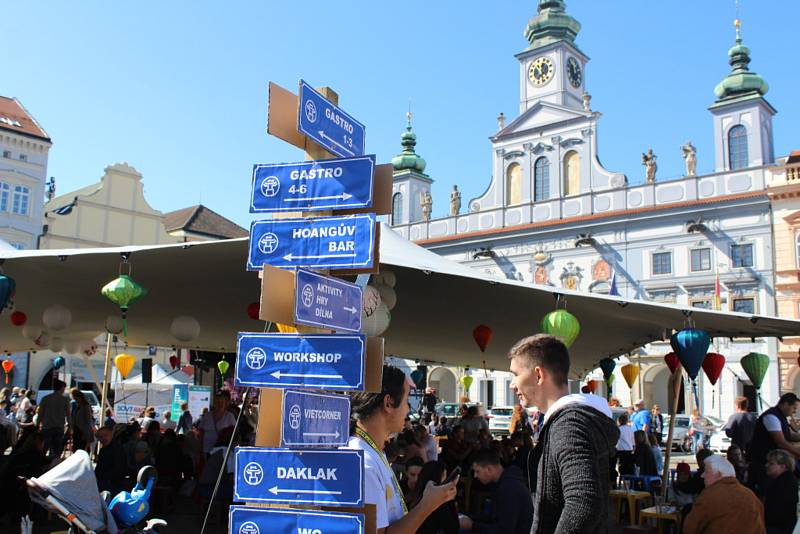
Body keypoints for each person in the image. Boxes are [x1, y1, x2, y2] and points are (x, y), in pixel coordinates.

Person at [509, 334, 619, 533]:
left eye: (515, 374)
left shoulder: (569, 424)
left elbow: (584, 503)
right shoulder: (568, 421)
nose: (512, 384)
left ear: (538, 375)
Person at [346, 364, 458, 533]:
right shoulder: (363, 464)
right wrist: (427, 505)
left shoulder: (373, 452)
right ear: (388, 403)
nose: (407, 409)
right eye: (406, 401)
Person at [682, 455, 765, 534]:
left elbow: (689, 529)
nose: (702, 475)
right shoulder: (751, 496)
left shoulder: (709, 495)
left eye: (706, 471)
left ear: (718, 474)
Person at [459, 448, 534, 534]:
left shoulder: (510, 488)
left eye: (477, 471)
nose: (475, 476)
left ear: (489, 469)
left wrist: (472, 525)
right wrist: (471, 518)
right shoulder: (501, 483)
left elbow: (504, 531)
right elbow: (494, 517)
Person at [747, 392, 800, 495]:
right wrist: (798, 453)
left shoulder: (781, 416)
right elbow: (781, 442)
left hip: (773, 462)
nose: (795, 411)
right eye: (794, 408)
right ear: (785, 404)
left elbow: (789, 435)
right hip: (763, 462)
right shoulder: (771, 417)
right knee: (765, 493)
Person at [412, 461, 459, 534]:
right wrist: (450, 500)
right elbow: (453, 529)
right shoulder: (437, 502)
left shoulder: (414, 494)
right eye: (445, 478)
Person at [763, 449, 798, 534]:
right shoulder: (785, 480)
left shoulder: (784, 483)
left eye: (771, 463)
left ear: (783, 466)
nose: (766, 465)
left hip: (778, 528)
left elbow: (777, 511)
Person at [37, 379, 71, 459]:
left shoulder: (45, 398)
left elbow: (40, 413)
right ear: (62, 388)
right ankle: (53, 466)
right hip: (59, 427)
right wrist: (70, 426)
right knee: (56, 451)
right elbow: (68, 415)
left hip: (47, 427)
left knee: (44, 449)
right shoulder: (65, 400)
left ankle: (41, 467)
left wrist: (38, 425)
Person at [70, 388, 95, 452]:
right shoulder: (77, 405)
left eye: (76, 398)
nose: (75, 400)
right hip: (77, 430)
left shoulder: (86, 406)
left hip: (82, 431)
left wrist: (85, 433)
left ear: (80, 397)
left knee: (81, 448)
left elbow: (88, 420)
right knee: (76, 448)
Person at [615, 412, 635, 476]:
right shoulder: (630, 429)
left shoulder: (619, 429)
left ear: (619, 421)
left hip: (621, 451)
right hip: (629, 450)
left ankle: (623, 477)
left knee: (622, 467)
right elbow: (633, 441)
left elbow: (616, 440)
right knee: (629, 466)